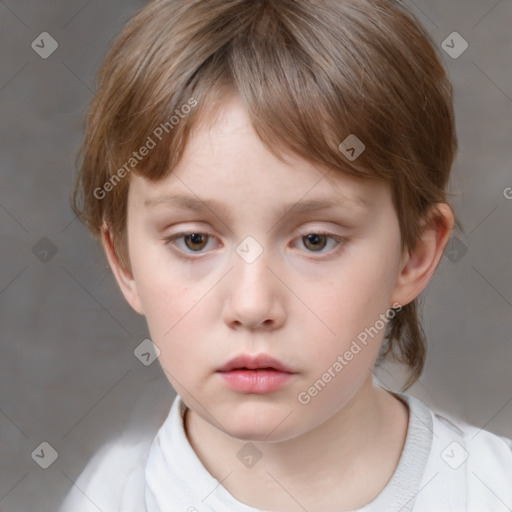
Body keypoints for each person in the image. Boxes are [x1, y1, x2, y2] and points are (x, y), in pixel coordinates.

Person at [59, 0, 512, 510]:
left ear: (414, 255)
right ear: (124, 261)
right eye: (195, 240)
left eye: (315, 240)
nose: (253, 306)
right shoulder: (104, 496)